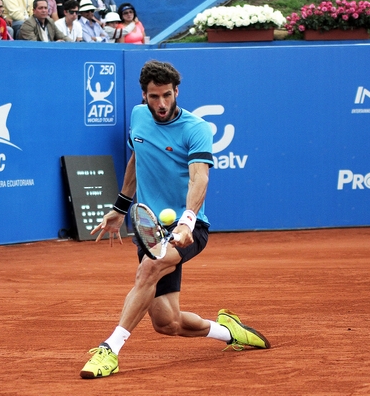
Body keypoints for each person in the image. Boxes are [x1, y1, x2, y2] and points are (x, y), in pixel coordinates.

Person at [80, 60, 271, 379]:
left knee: (149, 268)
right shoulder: (138, 117)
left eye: (167, 95)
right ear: (144, 96)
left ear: (176, 91)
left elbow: (200, 179)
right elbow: (136, 160)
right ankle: (229, 332)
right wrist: (120, 207)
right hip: (149, 227)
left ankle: (109, 350)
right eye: (154, 97)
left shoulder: (195, 128)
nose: (162, 104)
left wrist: (187, 220)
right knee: (167, 323)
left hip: (189, 227)